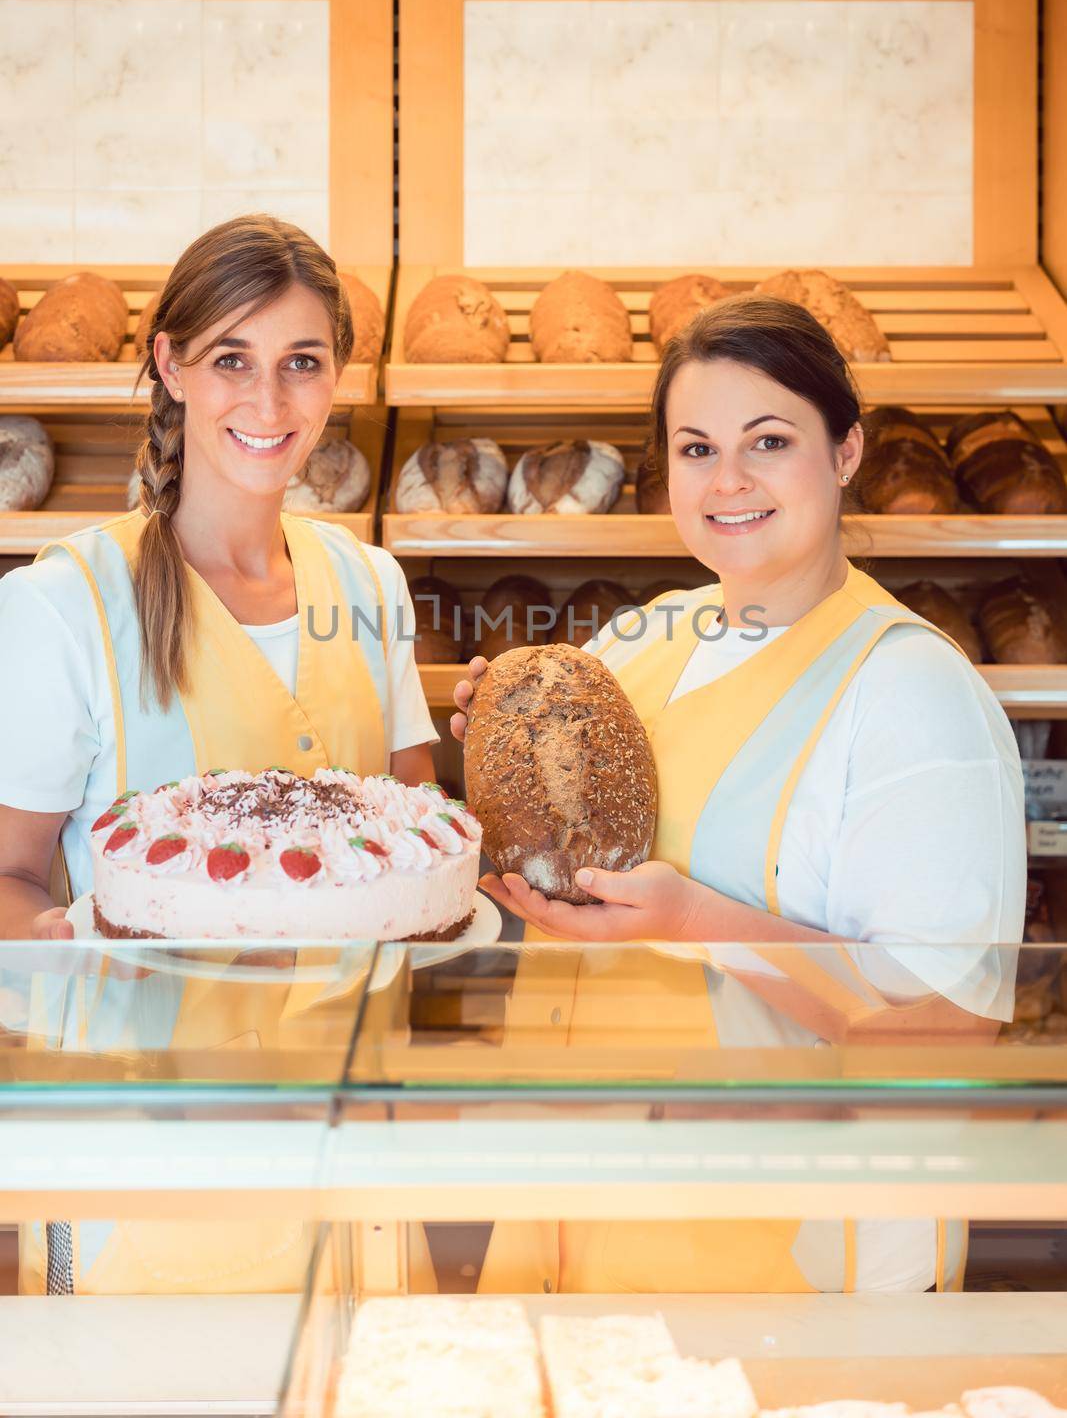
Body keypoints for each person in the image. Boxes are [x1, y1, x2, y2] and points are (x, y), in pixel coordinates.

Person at [451, 293, 1026, 1293]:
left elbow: (947, 1034)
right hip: (580, 1213)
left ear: (844, 451)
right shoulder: (634, 642)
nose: (727, 481)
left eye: (768, 441)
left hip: (780, 1259)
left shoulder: (909, 693)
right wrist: (493, 742)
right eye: (694, 448)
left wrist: (697, 922)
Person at [0, 214, 438, 1291]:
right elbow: (7, 878)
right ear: (170, 364)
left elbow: (419, 858)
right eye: (232, 360)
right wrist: (67, 944)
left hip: (354, 1142)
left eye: (302, 363)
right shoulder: (64, 606)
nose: (269, 402)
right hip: (150, 1150)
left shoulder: (368, 585)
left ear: (339, 376)